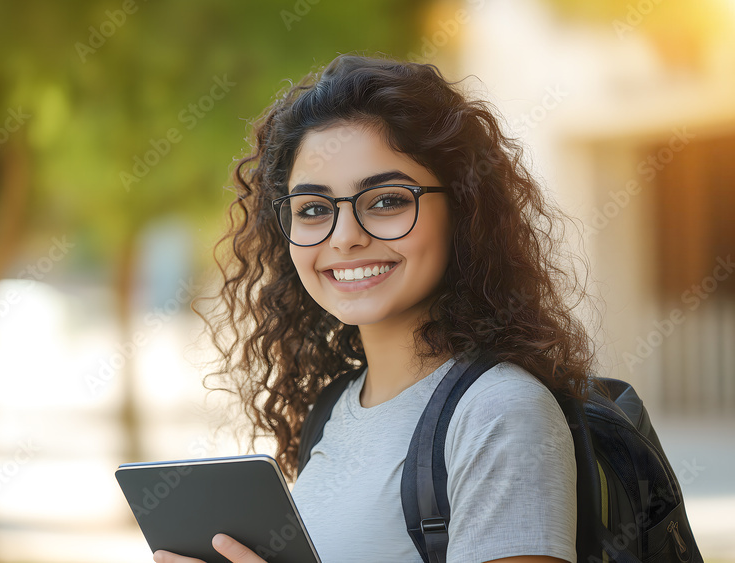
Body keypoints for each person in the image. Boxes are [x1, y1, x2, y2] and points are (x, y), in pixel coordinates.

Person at [155, 53, 604, 563]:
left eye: (387, 200)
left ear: (463, 209)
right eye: (313, 209)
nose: (344, 237)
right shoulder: (332, 410)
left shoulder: (499, 412)